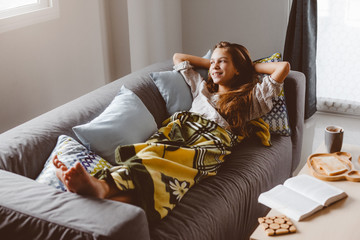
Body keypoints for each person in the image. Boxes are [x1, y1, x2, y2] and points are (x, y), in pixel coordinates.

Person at [53, 41, 290, 221]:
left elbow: (282, 67)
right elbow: (178, 57)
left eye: (223, 61)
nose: (214, 66)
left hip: (208, 144)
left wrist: (249, 66)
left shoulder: (249, 100)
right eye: (213, 61)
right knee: (149, 154)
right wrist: (213, 64)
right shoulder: (202, 88)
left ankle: (102, 188)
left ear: (238, 69)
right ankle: (102, 192)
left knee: (169, 164)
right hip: (179, 133)